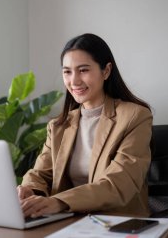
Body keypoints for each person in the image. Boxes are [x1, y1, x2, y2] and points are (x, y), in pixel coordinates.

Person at [18, 33, 153, 218]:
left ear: (106, 71)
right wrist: (28, 190)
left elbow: (120, 183)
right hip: (69, 220)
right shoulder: (58, 126)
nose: (74, 81)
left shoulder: (135, 116)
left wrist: (59, 202)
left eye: (83, 70)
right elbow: (40, 173)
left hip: (116, 222)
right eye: (67, 71)